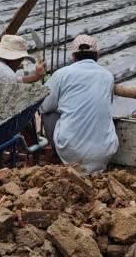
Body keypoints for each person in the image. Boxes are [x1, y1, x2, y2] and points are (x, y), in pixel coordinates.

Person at [39, 34, 118, 174]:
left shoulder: (62, 74)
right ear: (97, 55)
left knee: (48, 112)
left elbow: (44, 106)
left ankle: (58, 156)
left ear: (73, 56)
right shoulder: (107, 75)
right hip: (105, 152)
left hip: (72, 152)